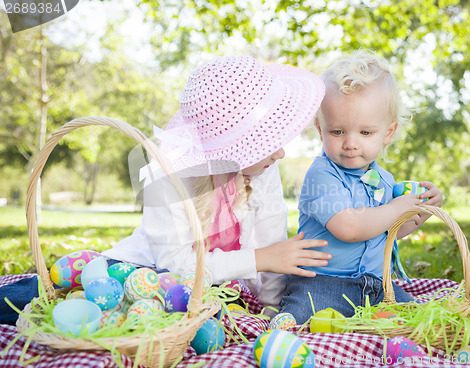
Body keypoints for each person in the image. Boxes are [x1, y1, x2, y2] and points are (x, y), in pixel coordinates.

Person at [0, 55, 332, 325]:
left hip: (202, 289)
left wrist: (270, 312)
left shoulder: (263, 171)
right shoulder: (170, 177)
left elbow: (272, 250)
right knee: (57, 297)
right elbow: (176, 265)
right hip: (141, 273)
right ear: (232, 147)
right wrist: (259, 259)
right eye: (266, 142)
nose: (280, 152)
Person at [279, 50, 443, 324]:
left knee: (420, 319)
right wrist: (395, 207)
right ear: (320, 129)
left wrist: (419, 211)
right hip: (322, 282)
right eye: (337, 131)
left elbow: (391, 230)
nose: (351, 143)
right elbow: (350, 228)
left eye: (365, 133)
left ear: (387, 133)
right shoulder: (322, 175)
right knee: (300, 320)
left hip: (377, 287)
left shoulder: (385, 180)